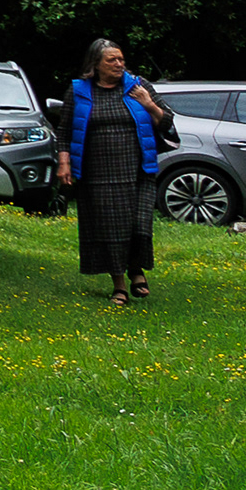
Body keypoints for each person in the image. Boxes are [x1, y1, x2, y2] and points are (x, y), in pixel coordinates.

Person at [56, 37, 169, 306]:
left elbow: (167, 123)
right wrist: (64, 163)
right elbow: (64, 131)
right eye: (112, 60)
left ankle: (136, 269)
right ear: (96, 64)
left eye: (121, 59)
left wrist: (149, 104)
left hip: (139, 170)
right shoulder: (79, 91)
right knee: (111, 230)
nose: (119, 64)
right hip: (98, 174)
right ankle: (119, 285)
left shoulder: (138, 87)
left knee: (139, 225)